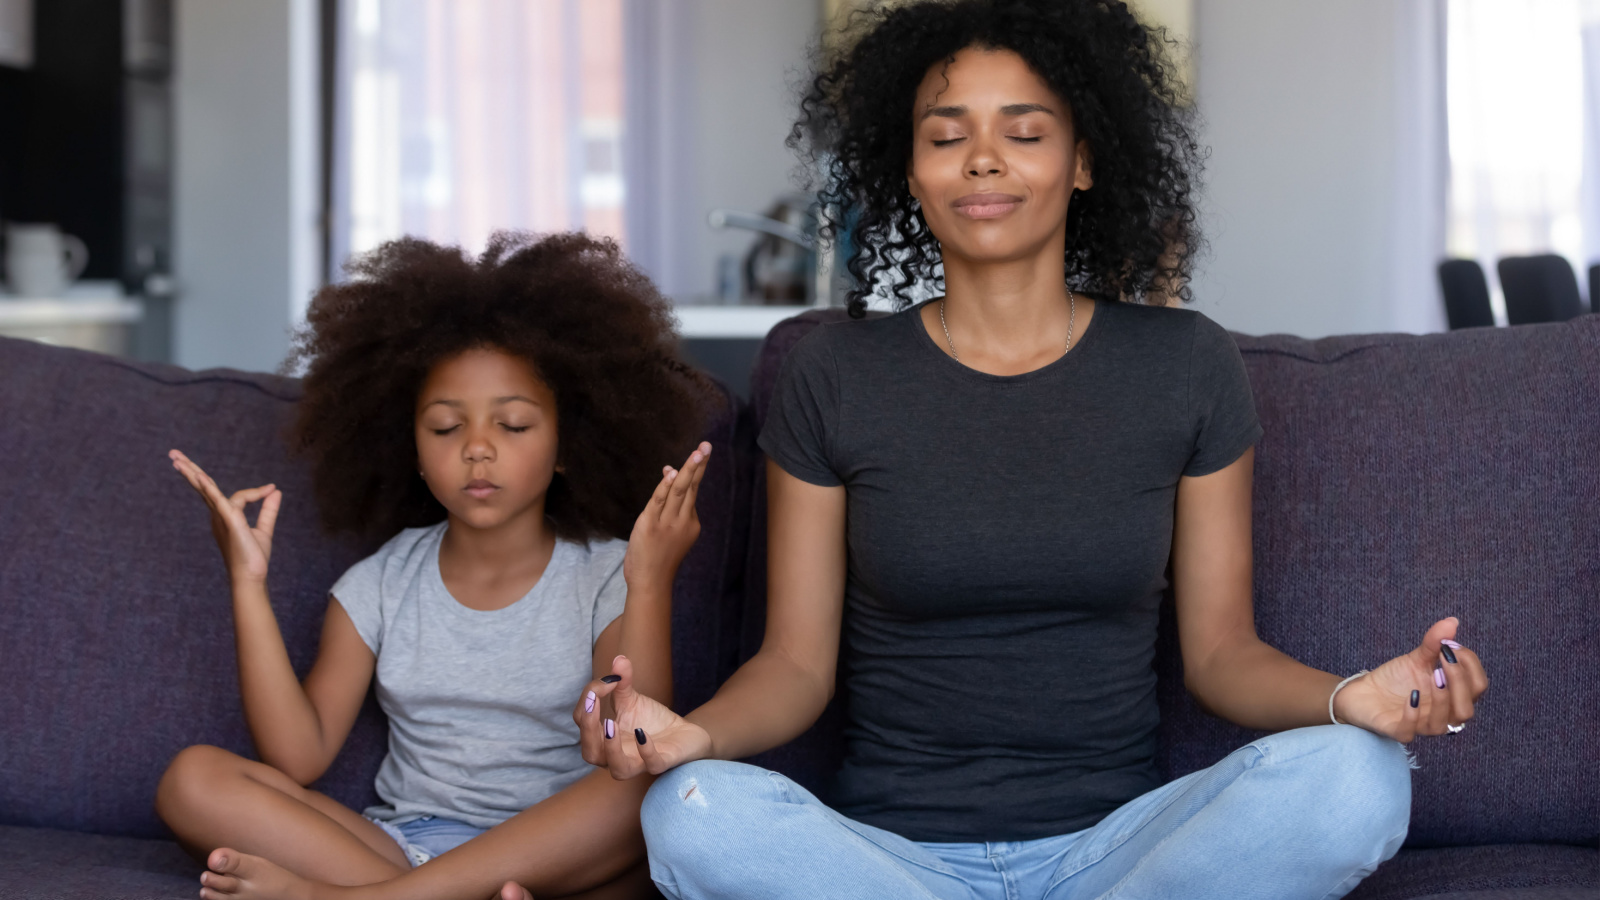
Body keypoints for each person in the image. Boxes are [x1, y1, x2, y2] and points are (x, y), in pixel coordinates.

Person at [577, 3, 1490, 899]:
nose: (983, 159)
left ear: (1083, 159)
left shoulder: (1185, 363)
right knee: (690, 808)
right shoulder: (836, 373)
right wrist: (695, 736)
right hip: (889, 860)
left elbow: (1222, 655)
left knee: (1360, 776)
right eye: (945, 136)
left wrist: (1355, 700)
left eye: (1023, 131)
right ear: (910, 170)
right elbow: (794, 667)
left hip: (1121, 850)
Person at [156, 231, 715, 900]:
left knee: (647, 791)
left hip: (556, 856)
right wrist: (246, 583)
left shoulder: (608, 572)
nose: (478, 450)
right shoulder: (380, 584)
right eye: (447, 429)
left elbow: (631, 735)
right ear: (414, 451)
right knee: (192, 778)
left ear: (567, 445)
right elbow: (296, 756)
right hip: (404, 847)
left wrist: (646, 590)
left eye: (512, 426)